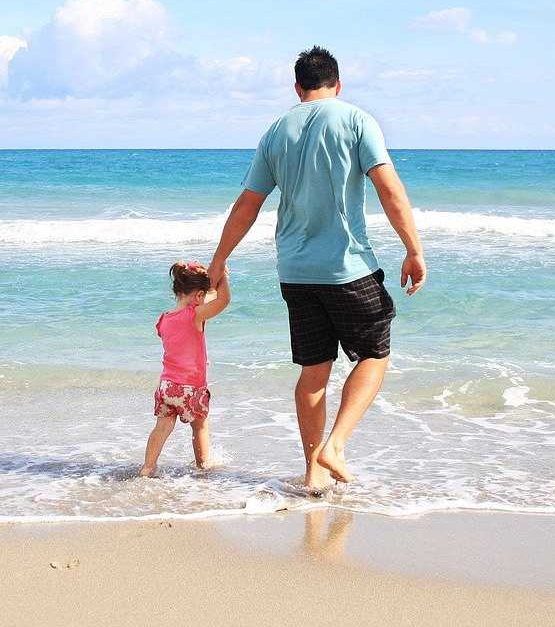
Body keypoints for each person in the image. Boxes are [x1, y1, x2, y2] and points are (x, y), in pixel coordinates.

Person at [207, 46, 426, 489]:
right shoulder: (356, 120)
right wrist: (413, 249)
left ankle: (312, 475)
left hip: (295, 271)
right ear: (338, 84)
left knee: (313, 371)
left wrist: (220, 258)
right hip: (346, 267)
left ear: (297, 87)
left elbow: (249, 203)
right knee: (375, 355)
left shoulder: (275, 131)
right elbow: (388, 189)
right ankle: (336, 446)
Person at [139, 261, 231, 477]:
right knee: (199, 426)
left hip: (166, 387)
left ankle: (148, 467)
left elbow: (201, 300)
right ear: (198, 296)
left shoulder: (163, 320)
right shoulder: (195, 316)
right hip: (191, 388)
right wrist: (222, 276)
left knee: (162, 427)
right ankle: (203, 466)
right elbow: (223, 300)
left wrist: (206, 286)